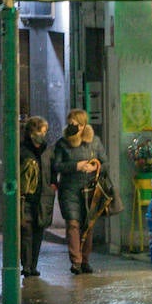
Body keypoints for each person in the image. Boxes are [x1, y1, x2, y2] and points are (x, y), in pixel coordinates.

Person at [51, 109, 103, 274]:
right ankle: (76, 261)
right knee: (73, 224)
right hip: (69, 189)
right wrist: (76, 166)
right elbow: (57, 165)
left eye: (76, 124)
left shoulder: (94, 142)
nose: (73, 126)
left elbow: (105, 162)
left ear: (83, 125)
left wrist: (95, 166)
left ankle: (85, 259)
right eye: (71, 123)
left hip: (89, 189)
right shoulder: (62, 143)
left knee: (88, 225)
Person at [19, 116, 55, 277]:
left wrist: (53, 183)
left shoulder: (48, 150)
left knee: (39, 230)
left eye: (45, 131)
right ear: (32, 131)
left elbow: (53, 169)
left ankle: (33, 265)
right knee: (26, 231)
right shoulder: (22, 150)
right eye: (42, 130)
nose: (44, 134)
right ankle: (26, 266)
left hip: (43, 196)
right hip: (26, 197)